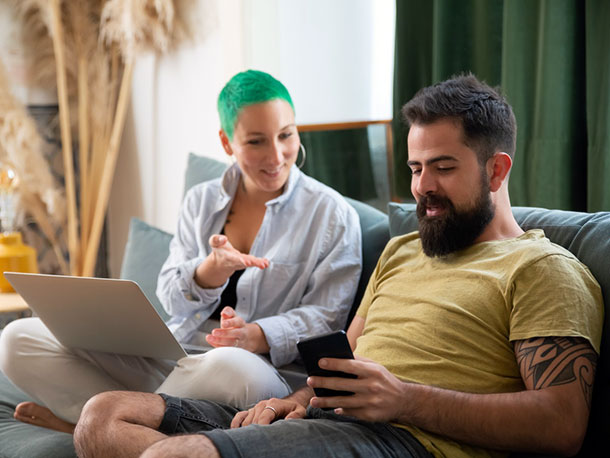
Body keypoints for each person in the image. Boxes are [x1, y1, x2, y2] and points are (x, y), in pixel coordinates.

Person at [73, 73, 603, 458]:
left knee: (171, 456)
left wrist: (404, 400)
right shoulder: (402, 251)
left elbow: (563, 424)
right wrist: (296, 401)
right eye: (416, 168)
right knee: (101, 418)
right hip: (326, 418)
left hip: (405, 440)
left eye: (443, 168)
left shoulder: (541, 268)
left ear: (496, 170)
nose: (422, 188)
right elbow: (343, 360)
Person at [0, 70, 362, 434]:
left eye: (286, 135)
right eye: (256, 142)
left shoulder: (332, 215)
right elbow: (172, 301)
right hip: (178, 360)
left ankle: (93, 421)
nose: (276, 154)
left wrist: (257, 334)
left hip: (252, 374)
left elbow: (328, 317)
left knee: (229, 365)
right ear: (226, 142)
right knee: (17, 339)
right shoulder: (200, 202)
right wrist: (210, 271)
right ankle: (117, 425)